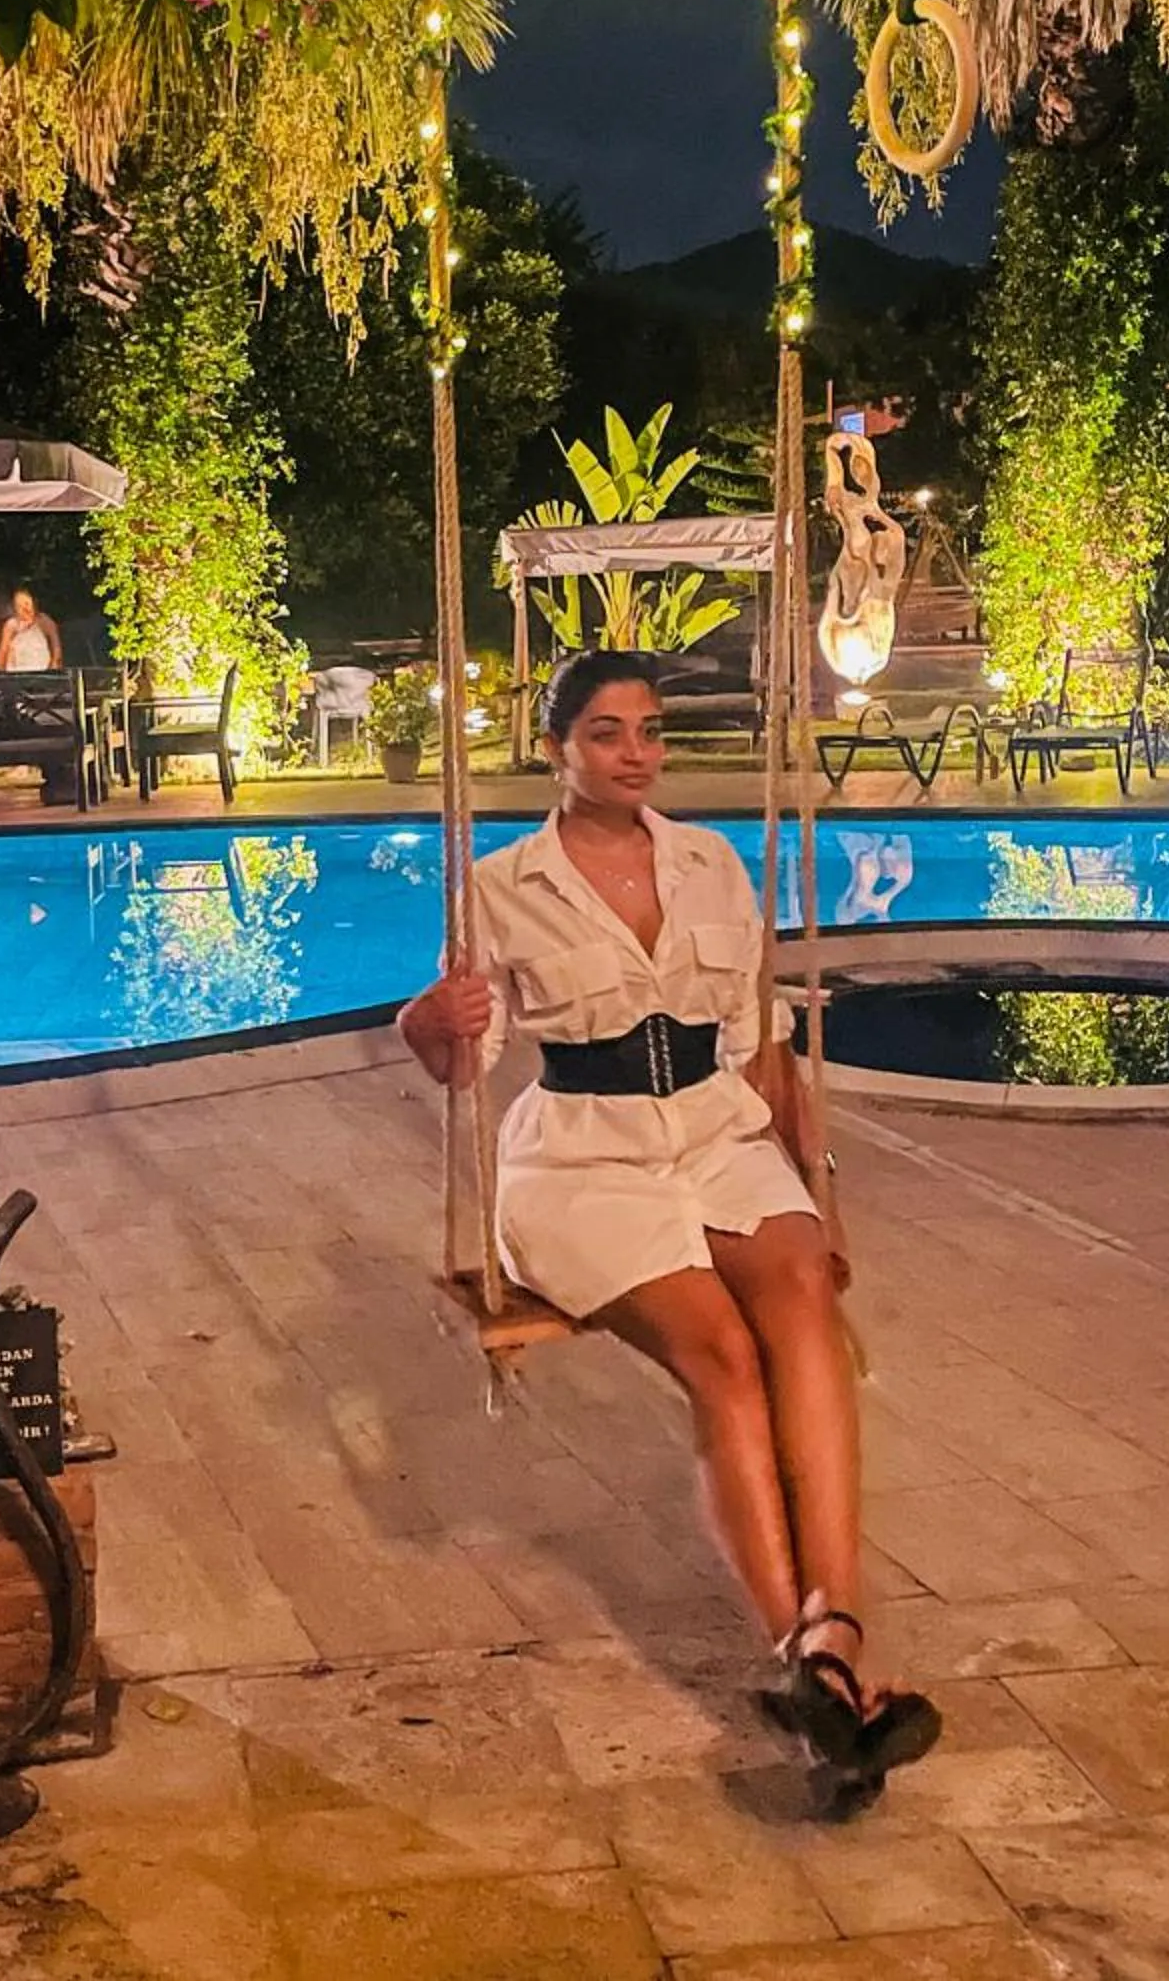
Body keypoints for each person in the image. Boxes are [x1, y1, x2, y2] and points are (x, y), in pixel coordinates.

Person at [398, 647, 941, 1808]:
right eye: (605, 732)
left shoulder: (709, 865)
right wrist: (423, 1020)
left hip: (716, 1133)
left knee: (803, 1308)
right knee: (722, 1356)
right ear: (556, 748)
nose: (634, 752)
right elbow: (464, 1065)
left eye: (648, 730)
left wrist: (810, 1178)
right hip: (584, 1159)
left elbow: (757, 1044)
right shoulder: (499, 887)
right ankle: (802, 1650)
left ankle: (831, 1634)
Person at [0, 587, 62, 675]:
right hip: (17, 673)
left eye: (27, 604)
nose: (24, 609)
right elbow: (3, 650)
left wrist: (53, 669)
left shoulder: (45, 621)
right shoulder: (12, 624)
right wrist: (1, 673)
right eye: (19, 606)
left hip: (42, 672)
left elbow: (56, 648)